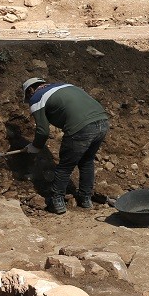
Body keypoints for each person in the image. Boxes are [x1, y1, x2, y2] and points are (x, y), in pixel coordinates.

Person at [21, 77, 110, 214]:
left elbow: (43, 130)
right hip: (102, 122)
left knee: (65, 166)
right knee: (87, 161)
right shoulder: (65, 86)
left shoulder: (37, 97)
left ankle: (57, 203)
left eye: (28, 96)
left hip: (81, 127)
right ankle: (85, 199)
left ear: (31, 90)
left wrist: (35, 146)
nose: (29, 101)